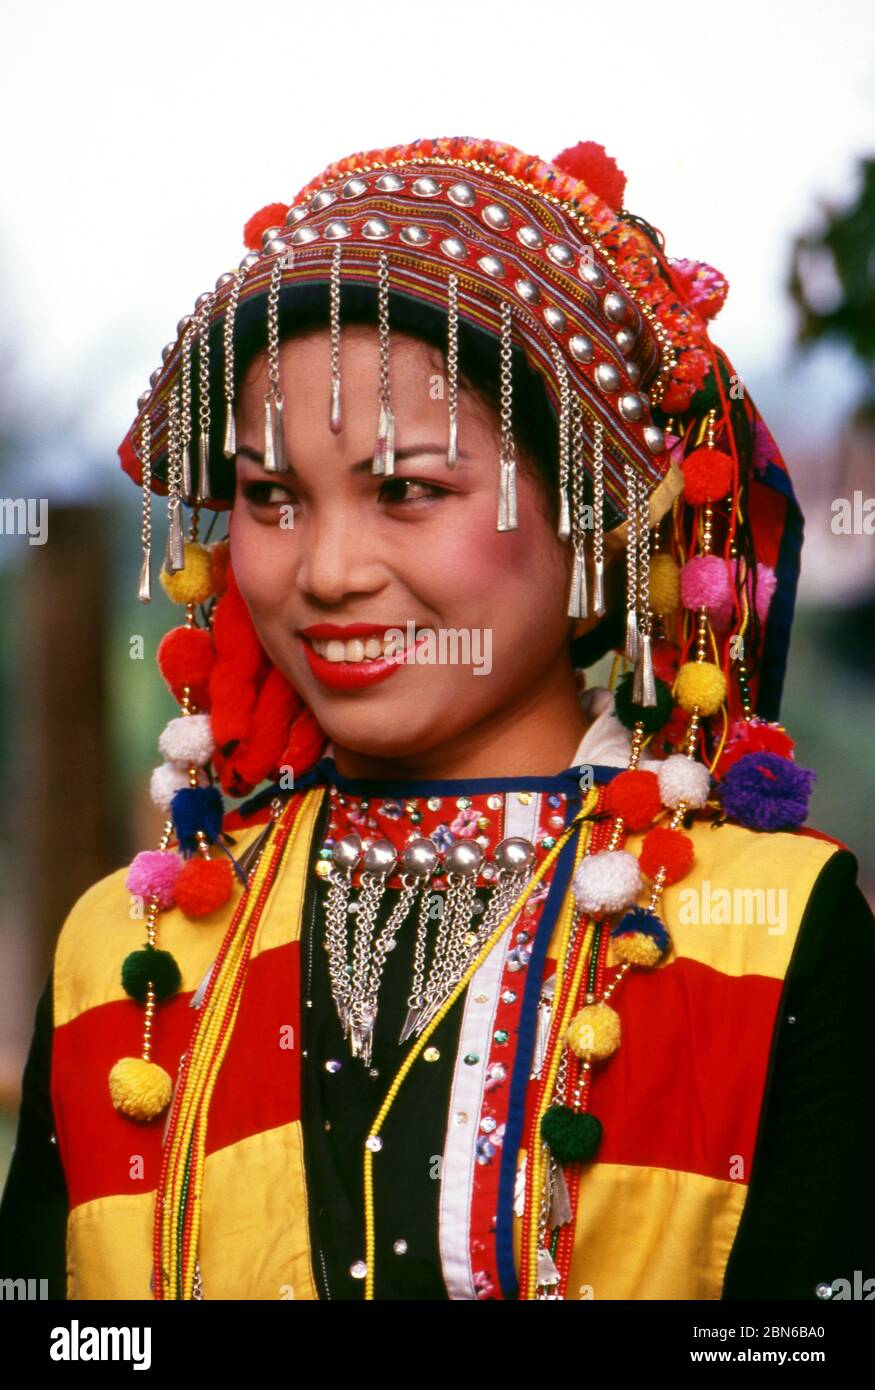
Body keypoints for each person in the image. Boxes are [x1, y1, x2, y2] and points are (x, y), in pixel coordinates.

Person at [1, 134, 873, 1302]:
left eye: (406, 487)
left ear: (596, 518)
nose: (326, 570)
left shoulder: (763, 938)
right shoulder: (128, 953)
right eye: (270, 496)